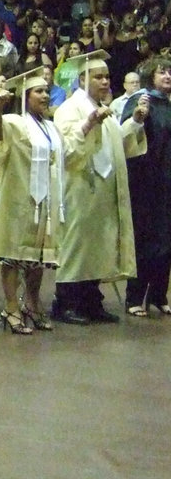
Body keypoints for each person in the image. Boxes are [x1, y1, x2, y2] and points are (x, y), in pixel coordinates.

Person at [51, 52, 148, 324]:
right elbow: (67, 151)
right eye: (98, 77)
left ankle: (91, 300)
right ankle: (67, 302)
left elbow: (115, 145)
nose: (105, 81)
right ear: (83, 79)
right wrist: (90, 122)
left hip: (104, 188)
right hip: (81, 186)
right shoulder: (69, 109)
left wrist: (134, 122)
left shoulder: (107, 108)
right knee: (77, 245)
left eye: (107, 76)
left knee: (99, 246)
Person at [0, 67, 67, 334]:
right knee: (13, 255)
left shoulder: (52, 128)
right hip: (19, 199)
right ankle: (10, 307)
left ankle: (32, 303)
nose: (45, 95)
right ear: (26, 96)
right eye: (38, 91)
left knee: (37, 257)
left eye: (46, 90)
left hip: (44, 203)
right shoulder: (14, 122)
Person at [122, 54, 171, 317]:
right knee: (144, 241)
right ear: (150, 75)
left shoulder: (169, 104)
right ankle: (134, 296)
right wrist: (139, 117)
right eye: (162, 72)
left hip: (167, 183)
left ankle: (158, 295)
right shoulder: (140, 101)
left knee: (166, 242)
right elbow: (127, 136)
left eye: (170, 72)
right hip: (144, 183)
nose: (168, 76)